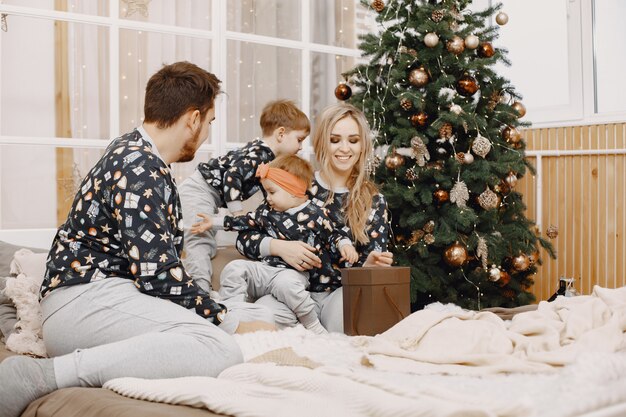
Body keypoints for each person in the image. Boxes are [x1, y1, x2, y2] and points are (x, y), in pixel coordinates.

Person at [0, 61, 273, 417]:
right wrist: (230, 321)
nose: (206, 133)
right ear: (192, 118)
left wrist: (213, 309)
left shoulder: (135, 152)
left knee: (212, 324)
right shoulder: (140, 168)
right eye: (209, 123)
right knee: (219, 347)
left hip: (95, 296)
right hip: (83, 300)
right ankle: (44, 377)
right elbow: (158, 276)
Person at [236, 103, 394, 332]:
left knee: (347, 328)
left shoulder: (374, 200)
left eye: (353, 140)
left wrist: (367, 267)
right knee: (259, 321)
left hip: (338, 294)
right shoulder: (298, 183)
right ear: (322, 142)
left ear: (363, 146)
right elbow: (245, 238)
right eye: (335, 139)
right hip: (287, 292)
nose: (344, 148)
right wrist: (278, 247)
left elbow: (368, 266)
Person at [192, 154, 358, 334]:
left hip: (293, 275)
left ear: (293, 191)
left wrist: (345, 245)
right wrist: (214, 222)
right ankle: (233, 312)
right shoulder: (267, 211)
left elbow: (336, 233)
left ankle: (313, 325)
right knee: (234, 269)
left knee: (286, 285)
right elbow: (245, 221)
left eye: (272, 192)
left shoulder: (317, 214)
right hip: (266, 271)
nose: (268, 198)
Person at [179, 100, 310, 294]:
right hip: (199, 190)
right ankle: (200, 293)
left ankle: (196, 280)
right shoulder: (260, 154)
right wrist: (237, 212)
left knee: (207, 241)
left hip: (208, 194)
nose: (300, 147)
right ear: (281, 134)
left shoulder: (264, 155)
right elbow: (232, 177)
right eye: (299, 140)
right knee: (199, 242)